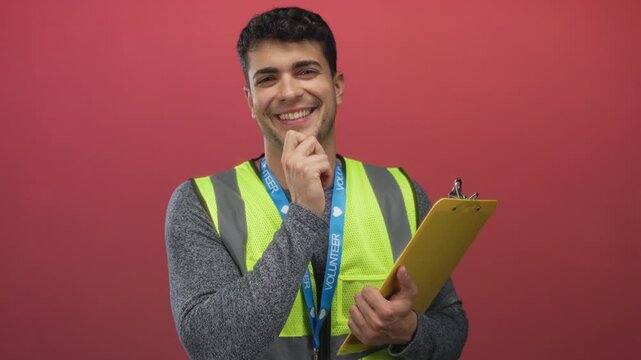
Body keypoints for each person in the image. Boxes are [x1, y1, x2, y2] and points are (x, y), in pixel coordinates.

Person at [165, 7, 468, 360]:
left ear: (336, 87)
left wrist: (407, 331)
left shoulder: (400, 192)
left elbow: (452, 329)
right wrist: (304, 214)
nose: (289, 92)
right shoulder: (199, 203)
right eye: (267, 79)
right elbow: (214, 346)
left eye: (306, 71)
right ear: (250, 100)